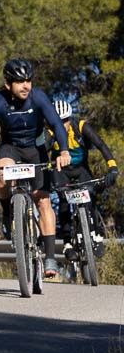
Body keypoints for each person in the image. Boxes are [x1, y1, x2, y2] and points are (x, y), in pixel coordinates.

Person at [0, 59, 70, 278]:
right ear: (8, 84)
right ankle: (7, 213)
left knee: (42, 200)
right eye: (20, 82)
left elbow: (57, 124)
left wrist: (64, 151)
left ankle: (50, 258)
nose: (26, 86)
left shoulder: (38, 97)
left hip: (36, 148)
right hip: (11, 147)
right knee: (2, 173)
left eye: (29, 81)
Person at [47, 99, 117, 250]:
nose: (62, 125)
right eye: (58, 121)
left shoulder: (80, 126)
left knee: (90, 195)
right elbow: (40, 153)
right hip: (61, 171)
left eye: (65, 120)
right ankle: (67, 243)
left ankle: (95, 234)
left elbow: (101, 145)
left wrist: (112, 167)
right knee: (63, 200)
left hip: (81, 169)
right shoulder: (50, 132)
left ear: (70, 119)